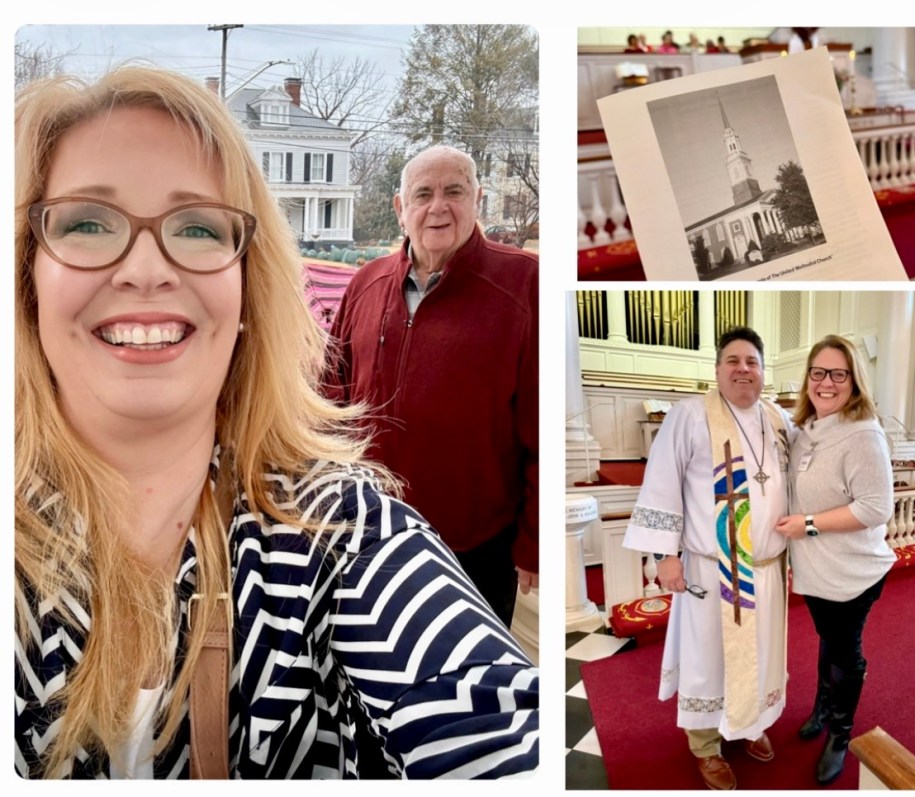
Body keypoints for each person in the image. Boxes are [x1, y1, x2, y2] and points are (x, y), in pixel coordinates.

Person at [14, 67, 538, 779]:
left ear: (247, 294)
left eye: (196, 226)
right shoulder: (369, 281)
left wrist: (531, 542)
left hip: (476, 535)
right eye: (86, 222)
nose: (143, 269)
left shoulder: (348, 538)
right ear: (25, 280)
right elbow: (337, 382)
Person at [323, 145, 538, 629]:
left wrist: (535, 540)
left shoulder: (524, 283)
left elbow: (540, 426)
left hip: (472, 547)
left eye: (454, 191)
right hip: (367, 537)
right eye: (423, 194)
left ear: (477, 199)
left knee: (467, 690)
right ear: (401, 208)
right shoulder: (366, 282)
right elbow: (329, 396)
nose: (437, 207)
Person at [623, 327, 793, 790]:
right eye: (733, 361)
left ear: (763, 371)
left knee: (761, 653)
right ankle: (705, 744)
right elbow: (661, 482)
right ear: (717, 370)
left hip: (767, 568)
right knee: (708, 657)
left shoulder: (778, 419)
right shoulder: (689, 416)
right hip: (713, 566)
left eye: (752, 362)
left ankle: (750, 721)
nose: (743, 369)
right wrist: (664, 555)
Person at [773, 335, 894, 784]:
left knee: (846, 652)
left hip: (853, 570)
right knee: (828, 639)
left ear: (853, 381)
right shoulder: (806, 431)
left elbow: (874, 508)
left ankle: (840, 734)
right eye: (818, 372)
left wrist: (806, 524)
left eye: (838, 374)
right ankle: (823, 706)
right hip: (817, 569)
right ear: (807, 378)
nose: (826, 382)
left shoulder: (863, 434)